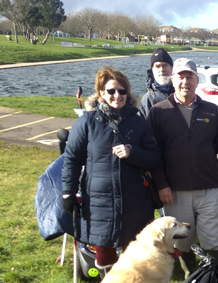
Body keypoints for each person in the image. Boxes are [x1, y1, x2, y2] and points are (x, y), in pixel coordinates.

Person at [62, 66, 161, 272]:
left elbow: (154, 159)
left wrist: (132, 152)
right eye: (111, 91)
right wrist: (67, 192)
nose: (117, 96)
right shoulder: (87, 123)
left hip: (134, 202)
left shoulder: (139, 122)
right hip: (99, 202)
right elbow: (72, 159)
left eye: (122, 91)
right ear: (101, 94)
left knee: (136, 256)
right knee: (105, 256)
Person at [148, 58, 218, 274]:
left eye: (190, 77)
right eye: (180, 77)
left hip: (209, 189)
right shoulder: (158, 112)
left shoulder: (212, 111)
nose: (185, 82)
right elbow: (154, 155)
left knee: (215, 240)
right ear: (173, 80)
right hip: (175, 191)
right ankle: (192, 280)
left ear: (197, 80)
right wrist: (161, 185)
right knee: (181, 242)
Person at [139, 48, 175, 119]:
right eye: (157, 66)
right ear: (152, 71)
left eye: (165, 65)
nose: (161, 69)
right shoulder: (148, 100)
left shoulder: (182, 93)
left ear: (172, 68)